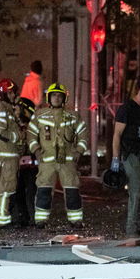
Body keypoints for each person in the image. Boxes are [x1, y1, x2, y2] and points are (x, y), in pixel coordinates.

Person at [30, 83, 88, 226]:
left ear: (64, 98)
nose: (56, 98)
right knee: (44, 190)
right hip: (47, 160)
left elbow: (83, 135)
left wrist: (79, 151)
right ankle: (41, 220)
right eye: (53, 95)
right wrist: (37, 151)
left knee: (72, 190)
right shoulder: (39, 115)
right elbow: (30, 135)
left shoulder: (73, 116)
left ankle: (76, 220)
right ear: (48, 98)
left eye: (59, 95)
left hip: (67, 161)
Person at [111, 80, 140, 239]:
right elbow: (117, 135)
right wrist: (116, 159)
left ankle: (134, 227)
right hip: (130, 154)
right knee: (137, 191)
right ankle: (131, 229)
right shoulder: (127, 109)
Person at [0, 78, 23, 227]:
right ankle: (1, 221)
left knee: (9, 188)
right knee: (5, 189)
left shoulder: (6, 108)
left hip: (9, 155)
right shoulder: (0, 108)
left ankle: (5, 219)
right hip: (4, 156)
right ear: (4, 94)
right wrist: (17, 137)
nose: (14, 95)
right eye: (11, 93)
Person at [12, 99, 40, 228]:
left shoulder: (34, 127)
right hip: (19, 165)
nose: (15, 111)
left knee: (31, 193)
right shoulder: (15, 126)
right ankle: (22, 217)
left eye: (17, 109)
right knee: (18, 192)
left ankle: (34, 218)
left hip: (32, 166)